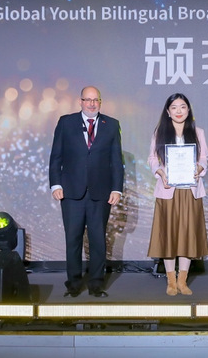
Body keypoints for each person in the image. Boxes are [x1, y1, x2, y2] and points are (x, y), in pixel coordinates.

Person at [48, 86, 124, 298]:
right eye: (87, 100)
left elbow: (116, 160)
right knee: (73, 239)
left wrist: (117, 188)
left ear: (100, 102)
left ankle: (96, 285)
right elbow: (56, 156)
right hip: (71, 192)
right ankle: (73, 285)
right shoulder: (66, 122)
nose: (91, 104)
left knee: (98, 240)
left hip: (100, 193)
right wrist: (55, 184)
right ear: (80, 101)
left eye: (95, 100)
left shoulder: (112, 124)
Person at [146, 93, 208, 296]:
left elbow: (204, 158)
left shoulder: (198, 132)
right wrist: (160, 172)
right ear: (168, 111)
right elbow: (152, 158)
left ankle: (183, 281)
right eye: (174, 107)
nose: (179, 111)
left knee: (187, 236)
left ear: (188, 110)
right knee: (169, 236)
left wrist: (199, 168)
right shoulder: (160, 132)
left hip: (190, 191)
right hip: (168, 191)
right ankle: (171, 281)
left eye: (182, 107)